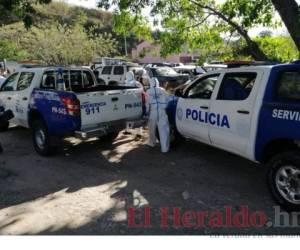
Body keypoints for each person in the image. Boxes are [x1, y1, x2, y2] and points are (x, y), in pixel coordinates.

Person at [146, 77, 170, 153]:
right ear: (157, 82)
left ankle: (152, 143)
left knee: (151, 129)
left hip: (152, 112)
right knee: (163, 130)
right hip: (162, 112)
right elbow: (168, 99)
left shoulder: (148, 91)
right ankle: (164, 148)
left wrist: (146, 113)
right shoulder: (162, 90)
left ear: (151, 83)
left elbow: (146, 104)